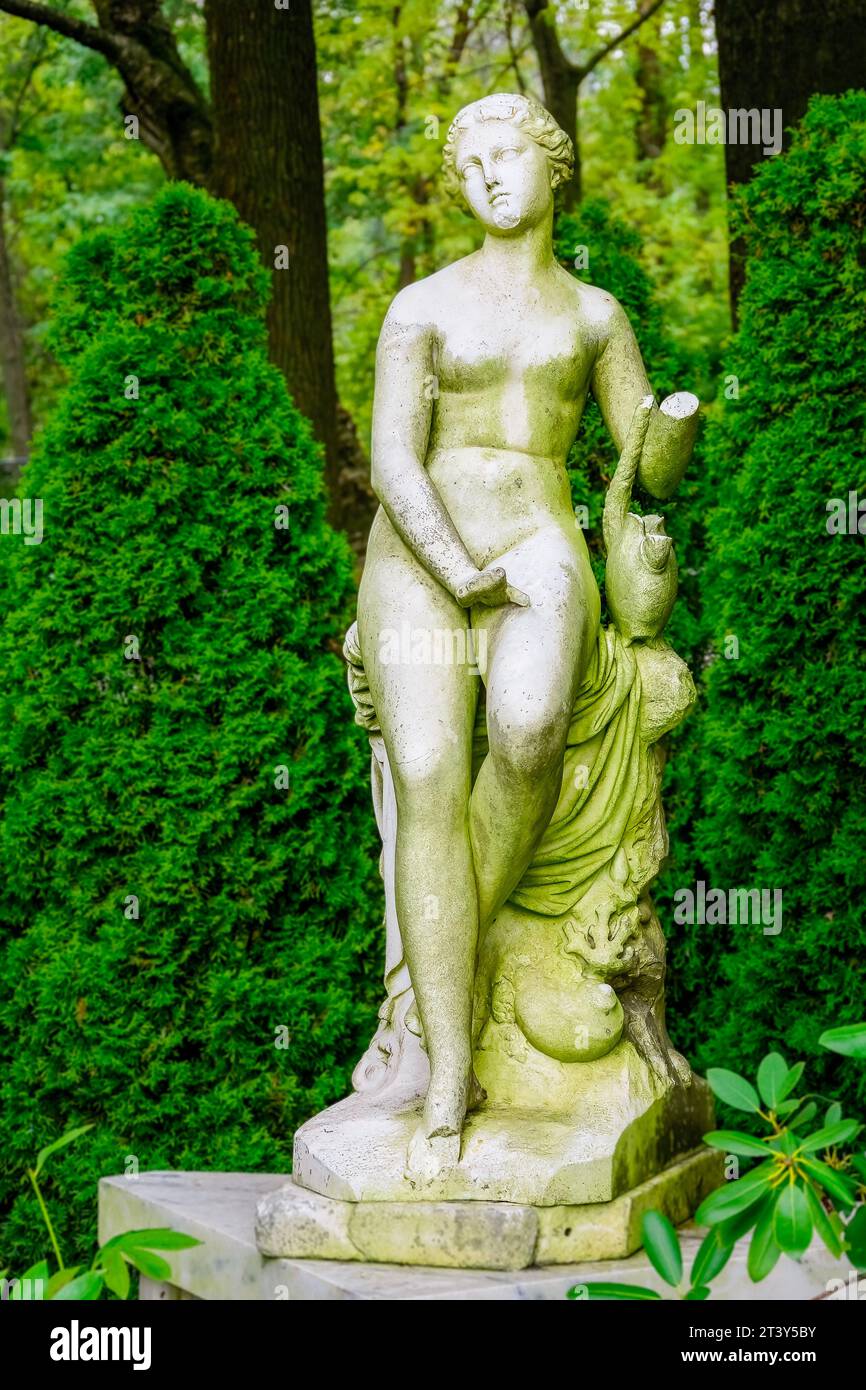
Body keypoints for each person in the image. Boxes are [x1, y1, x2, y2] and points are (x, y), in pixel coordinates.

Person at [357, 92, 697, 1178]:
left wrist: (672, 430)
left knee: (531, 731)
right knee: (421, 768)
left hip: (541, 541)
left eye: (508, 157)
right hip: (421, 546)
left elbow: (641, 462)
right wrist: (456, 569)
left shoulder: (594, 315)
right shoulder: (421, 306)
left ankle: (440, 945)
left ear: (554, 170)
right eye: (470, 166)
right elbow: (390, 461)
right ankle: (449, 1066)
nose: (488, 177)